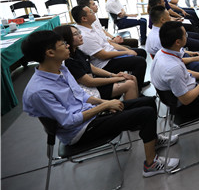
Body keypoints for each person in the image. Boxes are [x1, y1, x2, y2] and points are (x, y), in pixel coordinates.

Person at [21, 30, 179, 177]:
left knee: (148, 102)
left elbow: (81, 95)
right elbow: (68, 121)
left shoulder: (61, 68)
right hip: (80, 131)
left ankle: (154, 141)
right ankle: (151, 165)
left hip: (90, 114)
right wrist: (104, 106)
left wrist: (105, 102)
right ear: (50, 53)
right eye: (62, 44)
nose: (67, 45)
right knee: (146, 113)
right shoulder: (39, 91)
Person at [72, 5, 149, 94]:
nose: (93, 12)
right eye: (91, 12)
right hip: (105, 63)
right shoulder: (85, 35)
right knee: (140, 61)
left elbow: (109, 43)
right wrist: (127, 52)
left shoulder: (92, 26)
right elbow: (103, 55)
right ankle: (136, 91)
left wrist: (126, 50)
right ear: (84, 18)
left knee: (141, 52)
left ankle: (137, 82)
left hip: (111, 53)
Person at [55, 25, 138, 101]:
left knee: (132, 77)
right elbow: (89, 82)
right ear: (66, 39)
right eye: (75, 34)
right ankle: (131, 109)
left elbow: (92, 68)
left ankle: (137, 104)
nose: (80, 36)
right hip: (89, 92)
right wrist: (117, 79)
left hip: (94, 83)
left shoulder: (77, 51)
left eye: (79, 32)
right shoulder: (69, 60)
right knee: (129, 83)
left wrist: (114, 75)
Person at [146, 6, 199, 75]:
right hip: (179, 62)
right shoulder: (159, 38)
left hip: (179, 56)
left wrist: (189, 53)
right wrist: (194, 58)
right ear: (162, 20)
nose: (170, 18)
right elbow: (174, 60)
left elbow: (173, 51)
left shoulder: (158, 32)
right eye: (169, 16)